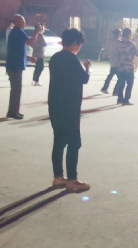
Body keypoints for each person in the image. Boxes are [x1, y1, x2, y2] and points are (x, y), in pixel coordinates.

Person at [49, 28, 91, 192]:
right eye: (79, 44)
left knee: (59, 141)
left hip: (55, 105)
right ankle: (72, 179)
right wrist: (87, 68)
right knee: (74, 142)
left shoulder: (55, 58)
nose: (79, 47)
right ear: (74, 43)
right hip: (69, 106)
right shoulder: (72, 59)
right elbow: (84, 79)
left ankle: (58, 177)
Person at [6, 14, 34, 119]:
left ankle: (13, 111)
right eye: (23, 20)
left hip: (14, 64)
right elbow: (30, 42)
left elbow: (17, 50)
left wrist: (28, 57)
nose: (25, 22)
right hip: (15, 66)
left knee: (15, 89)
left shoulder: (15, 32)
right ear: (17, 22)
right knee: (16, 89)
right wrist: (37, 32)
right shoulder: (18, 31)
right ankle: (13, 112)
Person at [113, 28, 138, 105]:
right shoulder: (131, 44)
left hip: (120, 66)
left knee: (121, 83)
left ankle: (120, 99)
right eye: (131, 34)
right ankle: (126, 99)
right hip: (129, 67)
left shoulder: (118, 44)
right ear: (129, 35)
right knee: (130, 83)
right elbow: (137, 53)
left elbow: (115, 54)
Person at [100, 28, 122, 94]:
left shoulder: (110, 41)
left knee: (111, 75)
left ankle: (105, 88)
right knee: (120, 77)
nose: (121, 35)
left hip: (112, 60)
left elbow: (106, 49)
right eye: (120, 33)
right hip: (117, 61)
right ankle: (115, 91)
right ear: (118, 34)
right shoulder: (118, 42)